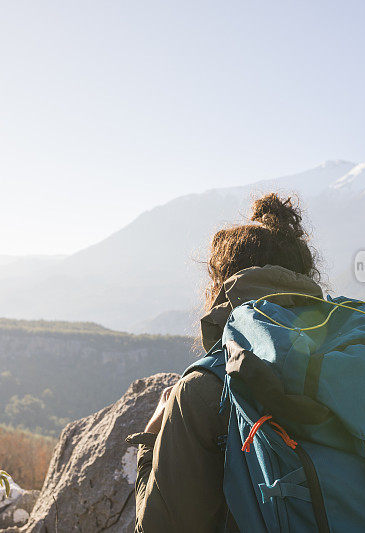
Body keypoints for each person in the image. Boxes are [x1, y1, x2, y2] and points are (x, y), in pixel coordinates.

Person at [127, 193, 324, 532]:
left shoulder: (204, 390)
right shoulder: (350, 361)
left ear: (220, 288)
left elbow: (161, 527)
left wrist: (151, 441)